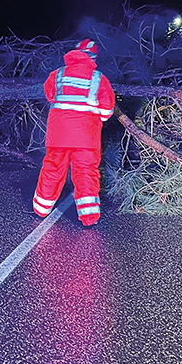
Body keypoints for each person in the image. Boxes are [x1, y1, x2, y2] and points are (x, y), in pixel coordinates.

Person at [33, 39, 116, 225]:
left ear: (75, 53)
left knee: (52, 168)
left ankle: (41, 209)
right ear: (94, 57)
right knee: (86, 171)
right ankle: (89, 216)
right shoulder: (98, 78)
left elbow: (49, 96)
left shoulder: (57, 74)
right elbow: (106, 110)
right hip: (87, 137)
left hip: (58, 134)